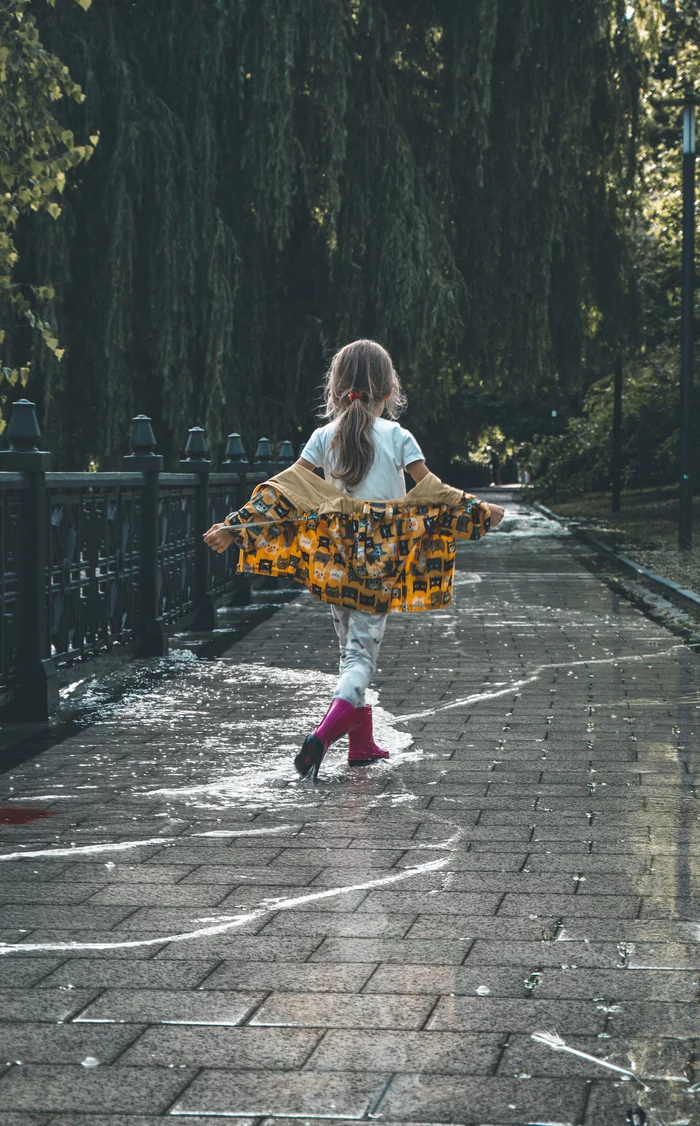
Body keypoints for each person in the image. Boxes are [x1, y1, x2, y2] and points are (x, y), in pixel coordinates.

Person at [204, 339, 504, 781]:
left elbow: (283, 491)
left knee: (349, 649)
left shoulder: (323, 437)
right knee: (359, 658)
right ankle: (322, 737)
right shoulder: (398, 437)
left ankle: (361, 745)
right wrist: (483, 510)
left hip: (334, 559)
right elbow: (434, 492)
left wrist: (234, 526)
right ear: (388, 390)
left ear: (337, 389)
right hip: (379, 564)